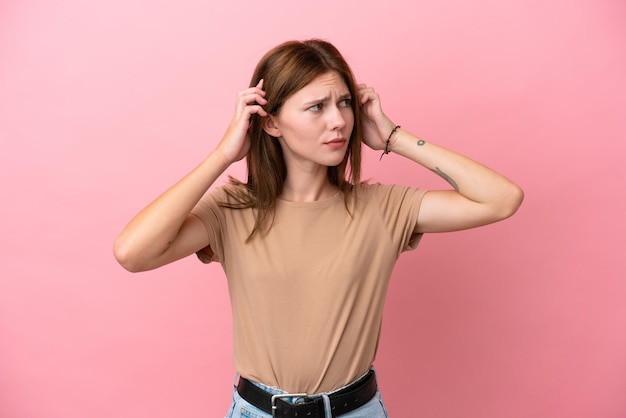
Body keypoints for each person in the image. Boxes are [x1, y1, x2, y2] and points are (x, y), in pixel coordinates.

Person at [113, 39, 523, 418]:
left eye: (344, 103)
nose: (339, 121)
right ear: (271, 123)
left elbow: (501, 199)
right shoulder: (231, 210)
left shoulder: (382, 207)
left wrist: (393, 137)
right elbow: (133, 253)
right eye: (317, 107)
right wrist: (223, 154)